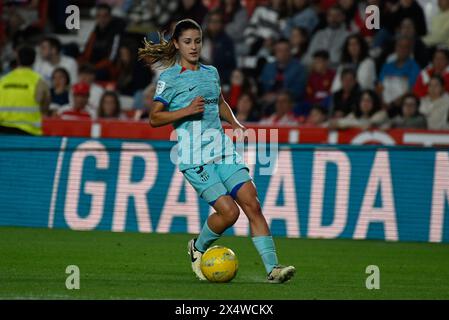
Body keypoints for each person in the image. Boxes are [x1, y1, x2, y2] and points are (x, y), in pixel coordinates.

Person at [138, 19, 295, 283]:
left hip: (222, 150)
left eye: (198, 41)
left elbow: (220, 102)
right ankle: (197, 248)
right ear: (177, 44)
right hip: (194, 158)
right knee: (229, 213)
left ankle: (273, 269)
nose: (194, 46)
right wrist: (186, 111)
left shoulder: (211, 72)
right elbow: (154, 118)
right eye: (187, 41)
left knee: (252, 203)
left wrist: (234, 123)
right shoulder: (169, 79)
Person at [0, 45, 50, 135]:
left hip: (3, 132)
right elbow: (45, 108)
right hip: (29, 134)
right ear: (34, 60)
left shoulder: (3, 80)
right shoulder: (39, 82)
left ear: (17, 59)